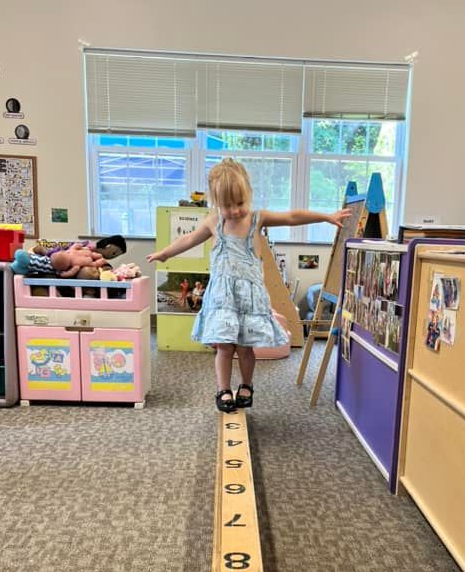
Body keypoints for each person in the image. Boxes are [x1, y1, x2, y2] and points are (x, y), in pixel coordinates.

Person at [148, 159, 351, 412]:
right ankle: (223, 389)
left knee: (245, 347)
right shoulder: (214, 223)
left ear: (249, 195)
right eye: (226, 206)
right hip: (223, 298)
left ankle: (246, 384)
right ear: (215, 203)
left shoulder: (258, 219)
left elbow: (291, 216)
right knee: (223, 346)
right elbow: (189, 239)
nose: (234, 211)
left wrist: (326, 217)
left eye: (240, 204)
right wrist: (165, 253)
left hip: (248, 298)